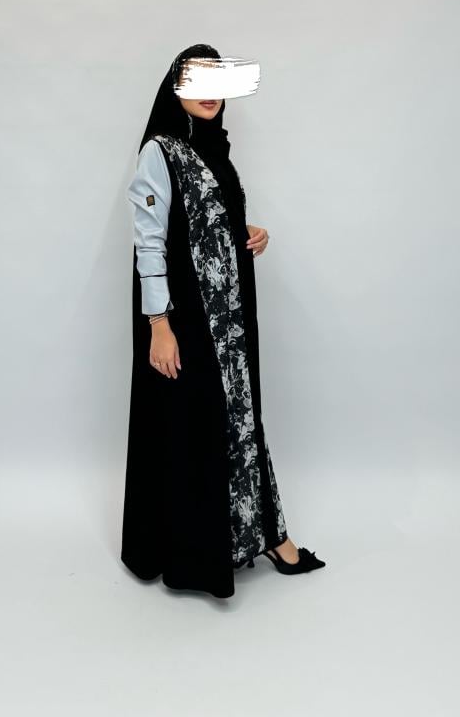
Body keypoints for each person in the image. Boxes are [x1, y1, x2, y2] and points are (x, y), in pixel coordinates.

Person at [121, 44, 325, 598]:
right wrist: (159, 324)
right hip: (188, 321)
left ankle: (264, 534)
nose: (209, 95)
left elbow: (207, 221)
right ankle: (201, 552)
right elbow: (150, 242)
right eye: (197, 83)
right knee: (197, 427)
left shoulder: (214, 150)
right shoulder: (160, 152)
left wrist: (247, 232)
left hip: (230, 319)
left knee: (239, 419)